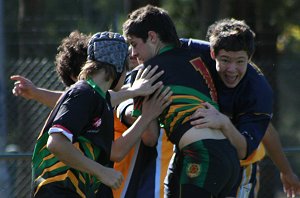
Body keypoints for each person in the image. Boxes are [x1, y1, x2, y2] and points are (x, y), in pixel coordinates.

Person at [165, 19, 300, 198]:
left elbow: (248, 146)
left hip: (239, 168)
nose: (232, 69)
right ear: (212, 53)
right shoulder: (197, 52)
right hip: (194, 155)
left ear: (249, 58)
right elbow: (161, 44)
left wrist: (223, 122)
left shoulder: (258, 91)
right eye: (225, 60)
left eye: (240, 61)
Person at [123, 5, 246, 197]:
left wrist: (139, 111)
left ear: (152, 37)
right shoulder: (196, 57)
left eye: (134, 43)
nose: (132, 53)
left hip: (201, 155)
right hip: (228, 158)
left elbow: (150, 137)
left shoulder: (147, 73)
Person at [31, 31, 172, 197]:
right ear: (119, 67)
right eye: (127, 70)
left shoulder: (99, 101)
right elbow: (56, 143)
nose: (127, 76)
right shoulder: (82, 93)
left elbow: (117, 153)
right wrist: (101, 172)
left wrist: (144, 109)